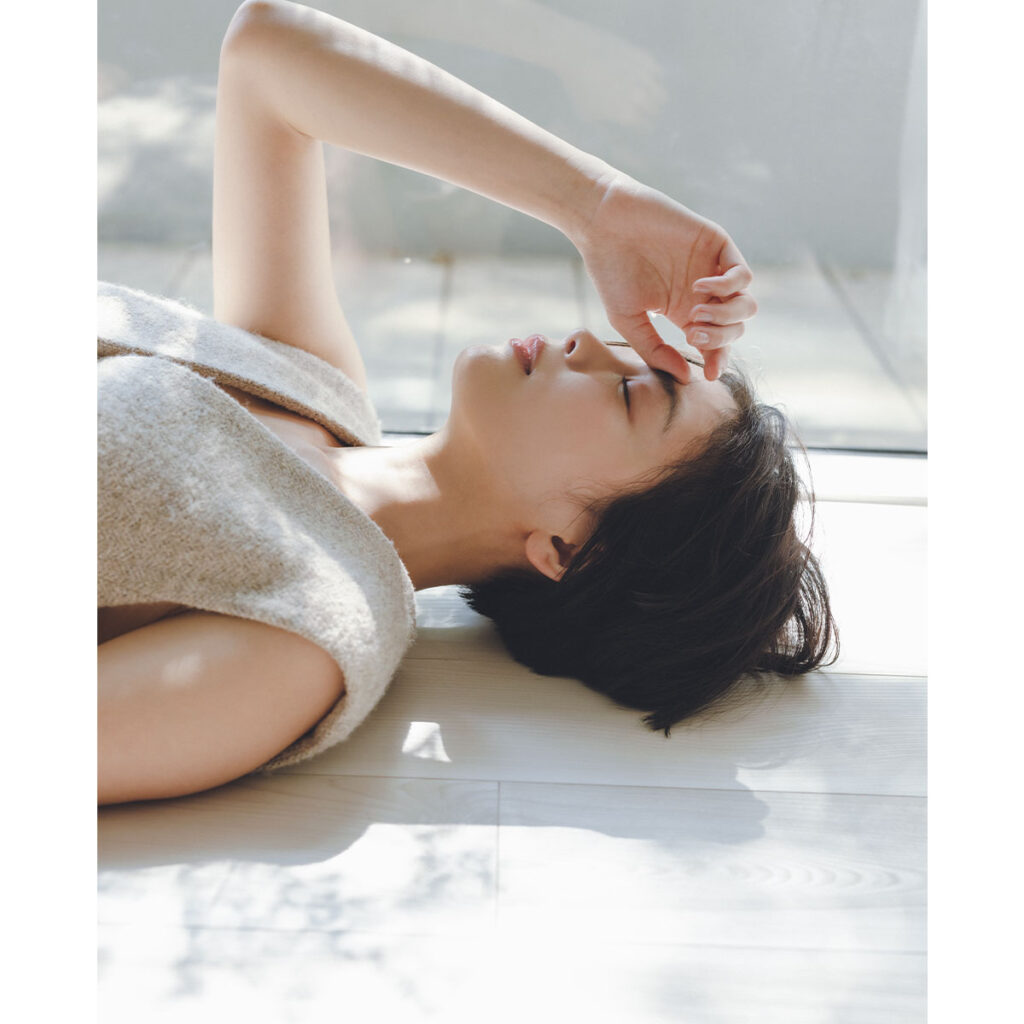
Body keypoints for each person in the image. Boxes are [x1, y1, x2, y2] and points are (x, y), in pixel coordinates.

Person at [98, 0, 837, 805]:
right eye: (626, 351)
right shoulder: (311, 383)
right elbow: (266, 52)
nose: (586, 343)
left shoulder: (306, 634)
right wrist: (596, 206)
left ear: (567, 551)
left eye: (631, 393)